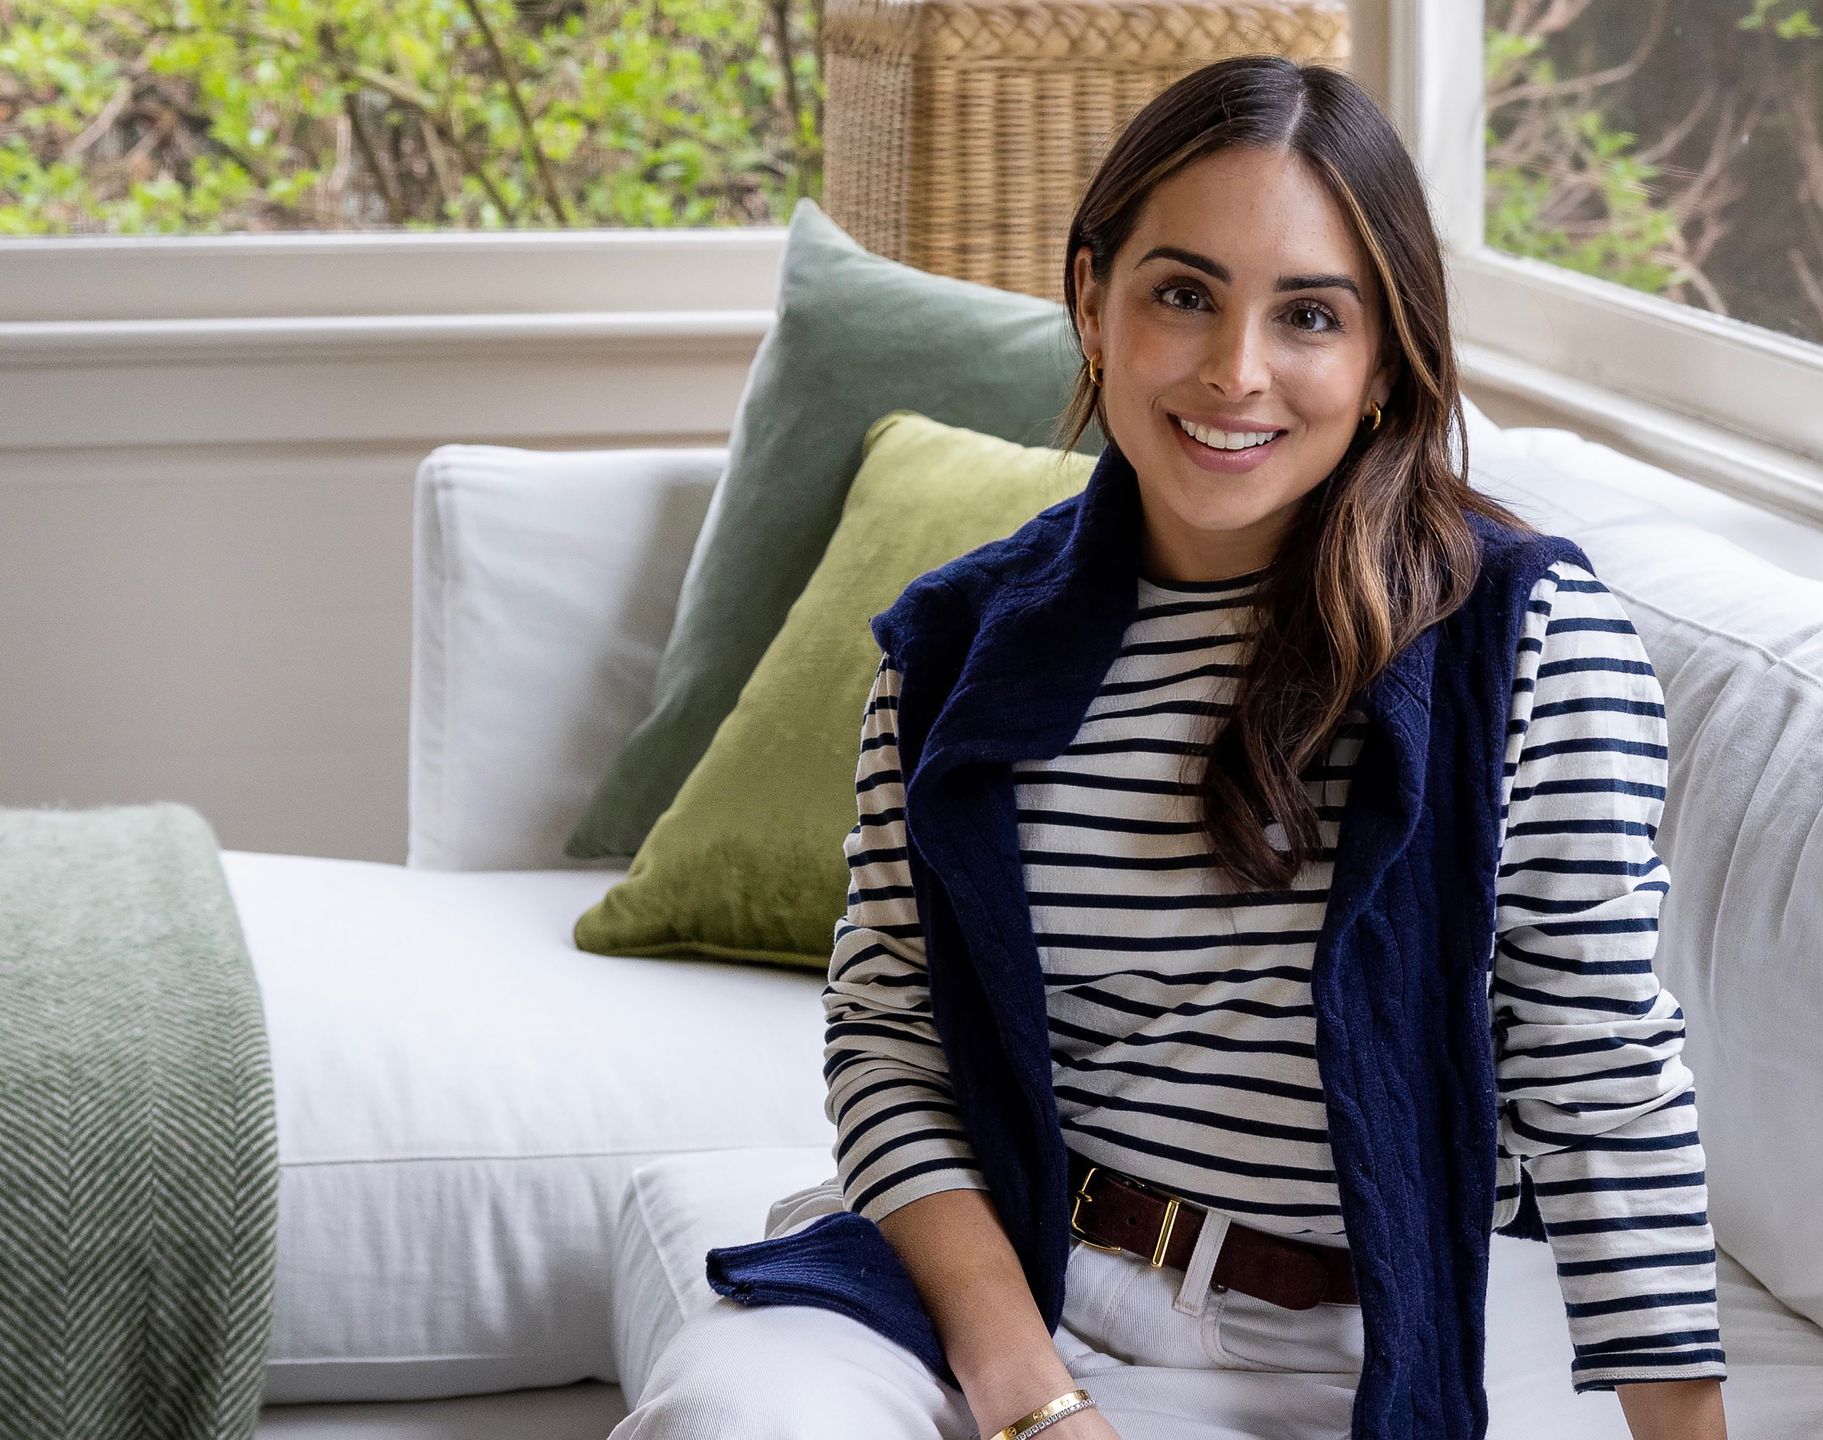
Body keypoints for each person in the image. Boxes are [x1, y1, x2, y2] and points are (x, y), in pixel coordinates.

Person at [614, 54, 1728, 1440]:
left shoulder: (1526, 639)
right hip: (976, 1298)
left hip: (1322, 1351)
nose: (1236, 371)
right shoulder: (958, 646)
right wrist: (1034, 1398)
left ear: (1385, 358)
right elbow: (889, 1041)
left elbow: (1601, 1076)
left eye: (1310, 315)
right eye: (1183, 294)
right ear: (1093, 302)